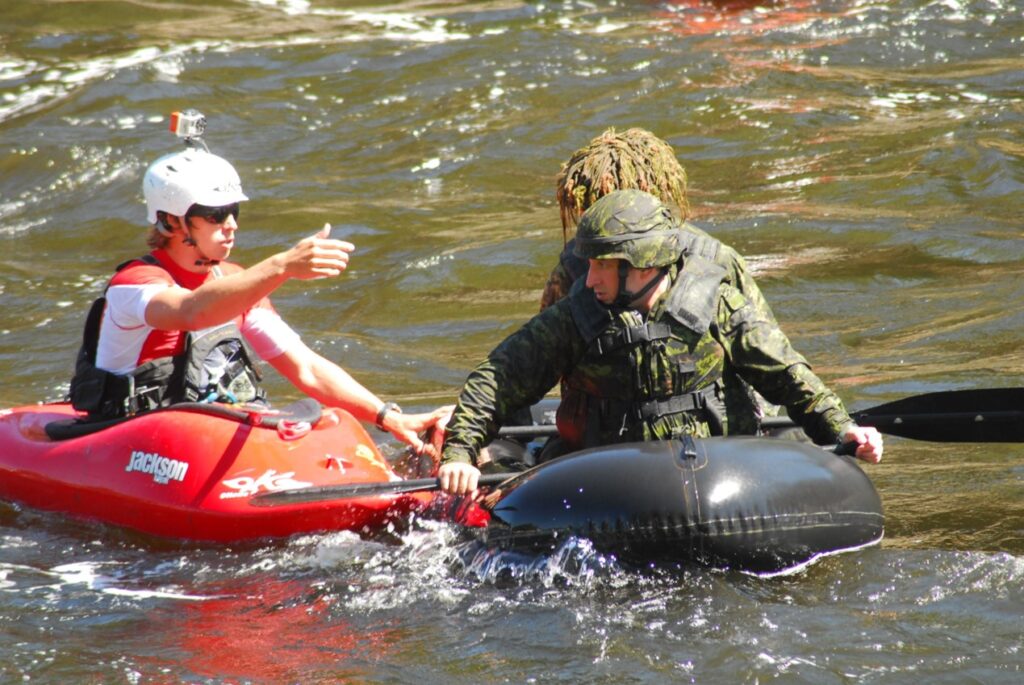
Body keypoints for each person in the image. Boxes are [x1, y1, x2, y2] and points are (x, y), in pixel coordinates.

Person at [438, 189, 882, 495]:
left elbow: (786, 373)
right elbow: (497, 378)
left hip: (723, 469)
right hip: (612, 477)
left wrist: (842, 428)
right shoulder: (577, 318)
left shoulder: (717, 304)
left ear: (642, 264)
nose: (588, 278)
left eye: (602, 265)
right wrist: (459, 453)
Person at [67, 138, 446, 454]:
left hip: (201, 435)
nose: (230, 225)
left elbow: (306, 368)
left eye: (233, 211)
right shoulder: (135, 284)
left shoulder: (237, 284)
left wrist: (389, 417)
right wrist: (281, 266)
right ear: (170, 221)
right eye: (214, 214)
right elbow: (191, 311)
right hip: (131, 440)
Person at [541, 127, 778, 437]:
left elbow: (764, 350)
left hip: (713, 430)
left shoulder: (715, 260)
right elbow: (538, 359)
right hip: (609, 431)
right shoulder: (573, 268)